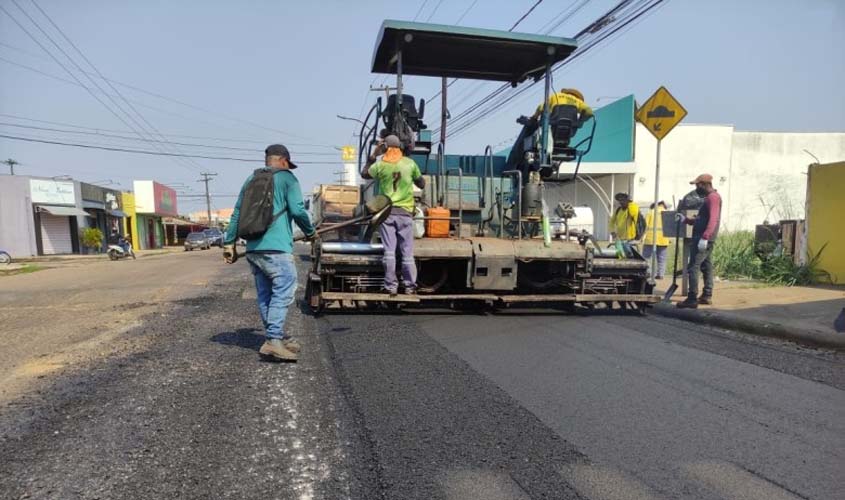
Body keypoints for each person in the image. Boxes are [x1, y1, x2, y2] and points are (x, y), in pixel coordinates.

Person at [223, 144, 316, 361]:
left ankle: (275, 338)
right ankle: (273, 340)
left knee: (266, 295)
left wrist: (229, 243)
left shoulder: (251, 180)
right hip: (277, 248)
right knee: (284, 290)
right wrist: (311, 232)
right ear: (284, 160)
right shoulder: (288, 178)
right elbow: (298, 210)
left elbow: (237, 213)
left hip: (254, 248)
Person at [362, 134, 425, 296]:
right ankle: (410, 286)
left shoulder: (381, 165)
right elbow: (421, 183)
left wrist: (373, 155)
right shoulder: (410, 164)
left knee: (389, 251)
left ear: (385, 148)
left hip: (387, 213)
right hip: (405, 213)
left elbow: (364, 174)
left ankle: (391, 286)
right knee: (407, 252)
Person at [507, 88, 593, 172]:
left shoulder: (555, 96)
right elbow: (589, 112)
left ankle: (542, 151)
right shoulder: (578, 102)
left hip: (550, 132)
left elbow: (541, 108)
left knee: (540, 133)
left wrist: (534, 117)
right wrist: (580, 121)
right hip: (566, 136)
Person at [676, 173, 722, 309]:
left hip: (703, 238)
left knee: (693, 266)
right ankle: (707, 295)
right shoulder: (709, 198)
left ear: (703, 184)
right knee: (706, 266)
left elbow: (713, 219)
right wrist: (687, 220)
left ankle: (692, 298)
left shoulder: (713, 198)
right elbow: (702, 218)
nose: (696, 188)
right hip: (703, 237)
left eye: (697, 185)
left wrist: (705, 236)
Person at [643, 201, 670, 278]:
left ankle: (648, 273)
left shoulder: (650, 212)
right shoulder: (667, 213)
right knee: (662, 258)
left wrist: (642, 237)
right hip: (663, 239)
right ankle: (660, 274)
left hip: (650, 238)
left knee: (647, 257)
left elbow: (645, 226)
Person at [610, 192, 640, 258]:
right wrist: (612, 232)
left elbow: (633, 213)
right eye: (620, 200)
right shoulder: (618, 210)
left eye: (623, 200)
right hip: (619, 239)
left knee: (630, 257)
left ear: (628, 200)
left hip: (630, 240)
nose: (621, 202)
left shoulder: (632, 207)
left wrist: (630, 203)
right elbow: (611, 222)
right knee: (620, 257)